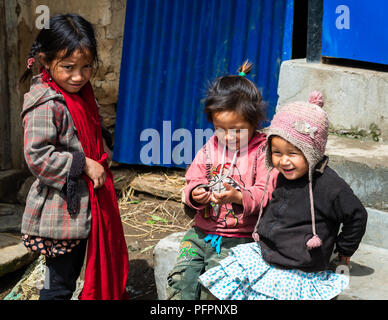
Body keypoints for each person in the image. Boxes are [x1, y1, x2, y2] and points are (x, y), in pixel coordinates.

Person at [199, 91, 368, 300]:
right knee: (222, 285)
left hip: (300, 268)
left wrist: (344, 248)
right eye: (277, 153)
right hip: (266, 255)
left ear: (312, 151)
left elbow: (358, 215)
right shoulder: (280, 175)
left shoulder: (330, 187)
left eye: (293, 153)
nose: (284, 161)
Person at [19, 14, 129, 300]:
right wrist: (82, 163)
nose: (78, 76)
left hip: (85, 207)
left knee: (79, 272)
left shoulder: (81, 94)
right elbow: (37, 155)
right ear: (45, 60)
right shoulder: (45, 102)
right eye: (68, 67)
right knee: (59, 286)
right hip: (61, 215)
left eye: (85, 67)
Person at [166, 61, 277, 300]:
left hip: (239, 239)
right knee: (180, 282)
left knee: (217, 291)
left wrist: (239, 197)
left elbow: (265, 192)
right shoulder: (210, 148)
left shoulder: (261, 152)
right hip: (199, 233)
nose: (228, 137)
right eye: (220, 128)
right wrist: (195, 193)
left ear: (255, 121)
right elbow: (193, 178)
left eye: (237, 130)